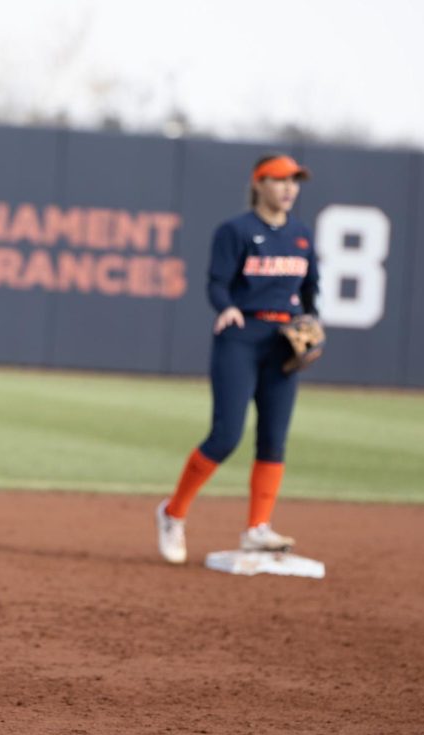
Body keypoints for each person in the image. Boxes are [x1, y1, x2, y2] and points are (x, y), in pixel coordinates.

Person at [155, 154, 319, 564]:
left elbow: (312, 290)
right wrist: (225, 307)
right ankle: (173, 514)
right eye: (280, 180)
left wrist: (313, 325)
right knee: (227, 436)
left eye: (294, 182)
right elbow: (217, 283)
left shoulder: (300, 235)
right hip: (241, 337)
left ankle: (257, 529)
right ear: (259, 183)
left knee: (273, 438)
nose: (289, 189)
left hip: (283, 342)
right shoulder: (236, 230)